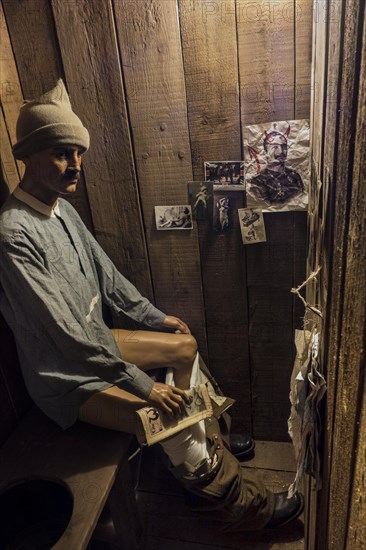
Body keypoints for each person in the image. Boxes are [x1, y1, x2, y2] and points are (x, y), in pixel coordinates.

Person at [0, 80, 303, 531]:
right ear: (28, 155)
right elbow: (65, 336)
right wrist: (145, 387)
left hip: (96, 344)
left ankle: (207, 444)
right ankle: (233, 502)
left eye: (79, 153)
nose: (75, 166)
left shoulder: (60, 209)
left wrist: (153, 316)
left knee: (183, 345)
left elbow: (108, 276)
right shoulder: (14, 233)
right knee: (165, 413)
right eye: (62, 153)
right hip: (65, 376)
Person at [249, 124, 305, 205]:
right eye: (275, 147)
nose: (281, 151)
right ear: (265, 152)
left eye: (284, 147)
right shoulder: (258, 181)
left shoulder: (294, 176)